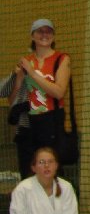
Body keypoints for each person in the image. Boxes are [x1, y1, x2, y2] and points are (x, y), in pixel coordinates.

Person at [8, 19, 72, 178]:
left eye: (48, 31)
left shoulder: (61, 59)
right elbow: (12, 101)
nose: (44, 35)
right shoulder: (26, 61)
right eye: (40, 31)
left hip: (51, 121)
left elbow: (59, 92)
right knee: (28, 170)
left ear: (53, 36)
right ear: (33, 36)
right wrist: (19, 78)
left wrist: (32, 73)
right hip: (29, 122)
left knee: (52, 170)